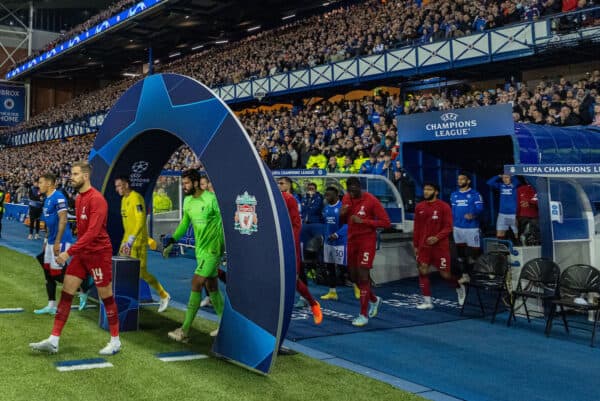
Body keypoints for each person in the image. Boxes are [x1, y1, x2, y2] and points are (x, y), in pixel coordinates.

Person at [30, 162, 122, 355]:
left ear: (86, 176)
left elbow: (93, 233)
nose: (71, 177)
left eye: (75, 174)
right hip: (83, 253)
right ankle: (54, 339)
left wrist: (68, 252)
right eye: (71, 173)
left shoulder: (97, 200)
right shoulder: (79, 198)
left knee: (106, 296)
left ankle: (115, 340)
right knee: (67, 292)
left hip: (98, 253)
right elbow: (82, 233)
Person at [163, 169, 225, 342]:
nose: (184, 187)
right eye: (183, 184)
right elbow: (185, 223)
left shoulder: (212, 199)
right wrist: (173, 239)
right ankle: (225, 325)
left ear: (196, 183)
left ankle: (184, 330)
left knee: (196, 283)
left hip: (213, 250)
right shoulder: (188, 201)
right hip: (200, 250)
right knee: (212, 287)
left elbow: (225, 221)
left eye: (187, 183)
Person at [115, 176, 170, 312]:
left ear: (126, 184)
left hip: (137, 241)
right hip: (127, 241)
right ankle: (123, 300)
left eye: (119, 186)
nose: (118, 189)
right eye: (116, 187)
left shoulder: (136, 198)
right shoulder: (123, 200)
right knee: (123, 270)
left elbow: (140, 220)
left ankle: (163, 295)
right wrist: (125, 241)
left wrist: (131, 239)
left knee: (141, 273)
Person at [340, 177, 391, 326]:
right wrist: (342, 214)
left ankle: (363, 315)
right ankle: (374, 300)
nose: (352, 193)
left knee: (363, 275)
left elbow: (386, 223)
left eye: (354, 190)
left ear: (360, 187)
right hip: (352, 241)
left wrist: (364, 221)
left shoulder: (371, 200)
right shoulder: (346, 198)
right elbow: (343, 221)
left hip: (367, 241)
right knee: (354, 277)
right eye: (349, 191)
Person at [413, 182, 465, 309]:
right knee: (422, 270)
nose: (426, 192)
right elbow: (417, 228)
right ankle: (427, 301)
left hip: (440, 247)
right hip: (424, 247)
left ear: (436, 192)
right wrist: (415, 245)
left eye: (429, 189)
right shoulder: (419, 207)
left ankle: (459, 286)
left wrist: (436, 238)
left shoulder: (444, 207)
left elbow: (448, 227)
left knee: (445, 275)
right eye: (425, 189)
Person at [278, 177, 322, 325]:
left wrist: (290, 242)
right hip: (276, 242)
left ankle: (313, 303)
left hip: (289, 243)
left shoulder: (290, 199)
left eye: (282, 183)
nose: (279, 185)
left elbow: (296, 224)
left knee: (293, 279)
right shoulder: (273, 198)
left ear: (289, 185)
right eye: (278, 183)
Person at [450, 172, 484, 283]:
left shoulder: (475, 194)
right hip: (458, 228)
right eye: (458, 179)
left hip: (471, 228)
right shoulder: (454, 194)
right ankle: (465, 275)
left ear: (468, 181)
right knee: (460, 253)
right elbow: (453, 211)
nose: (459, 181)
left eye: (462, 179)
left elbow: (480, 208)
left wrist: (473, 215)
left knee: (475, 252)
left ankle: (479, 266)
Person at [320, 186, 348, 301]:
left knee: (343, 268)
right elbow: (325, 224)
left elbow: (347, 225)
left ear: (336, 195)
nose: (327, 197)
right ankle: (332, 292)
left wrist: (337, 234)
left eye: (329, 195)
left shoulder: (343, 207)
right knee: (330, 267)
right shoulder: (326, 208)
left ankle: (359, 286)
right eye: (326, 195)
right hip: (328, 243)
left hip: (340, 242)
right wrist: (324, 236)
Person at [486, 174, 519, 239]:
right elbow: (489, 182)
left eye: (507, 177)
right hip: (502, 214)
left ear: (511, 178)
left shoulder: (514, 185)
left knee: (515, 233)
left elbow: (517, 180)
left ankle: (518, 246)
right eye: (503, 178)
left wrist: (511, 175)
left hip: (511, 214)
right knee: (500, 234)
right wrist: (498, 176)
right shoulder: (501, 186)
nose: (505, 179)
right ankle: (502, 248)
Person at [516, 178, 539, 245]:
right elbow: (517, 204)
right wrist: (516, 216)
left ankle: (534, 243)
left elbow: (541, 202)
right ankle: (522, 244)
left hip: (535, 216)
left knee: (535, 232)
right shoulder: (520, 189)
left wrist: (529, 202)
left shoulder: (540, 189)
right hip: (523, 216)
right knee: (523, 232)